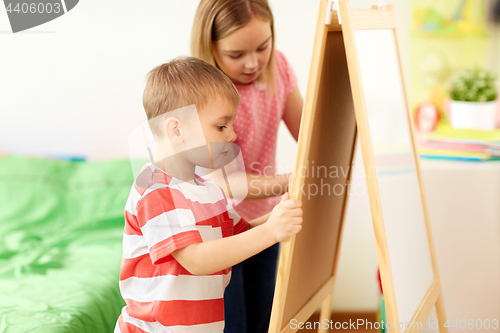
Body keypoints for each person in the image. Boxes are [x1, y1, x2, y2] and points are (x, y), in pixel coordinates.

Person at [114, 57, 303, 333]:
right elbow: (196, 259)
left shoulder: (209, 190)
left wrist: (280, 214)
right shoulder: (155, 188)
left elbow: (240, 235)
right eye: (221, 126)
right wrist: (272, 231)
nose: (232, 135)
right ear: (176, 130)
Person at [191, 1, 303, 332]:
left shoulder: (279, 68)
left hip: (266, 218)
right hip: (218, 227)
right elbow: (228, 183)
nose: (253, 62)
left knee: (265, 318)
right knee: (232, 324)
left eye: (262, 47)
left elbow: (311, 130)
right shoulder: (204, 92)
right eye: (236, 54)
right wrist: (292, 181)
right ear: (210, 45)